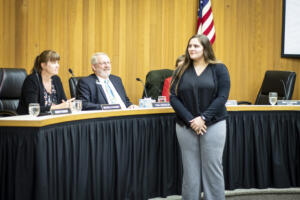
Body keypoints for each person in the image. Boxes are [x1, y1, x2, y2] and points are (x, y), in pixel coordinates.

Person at [170, 34, 230, 200]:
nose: (192, 49)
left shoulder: (219, 68)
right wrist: (191, 120)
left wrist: (203, 118)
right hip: (185, 126)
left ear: (205, 48)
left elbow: (222, 96)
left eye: (196, 46)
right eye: (190, 46)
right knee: (190, 170)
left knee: (213, 168)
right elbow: (173, 97)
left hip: (214, 124)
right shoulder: (181, 70)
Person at [17, 50, 73, 115]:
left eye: (57, 62)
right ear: (43, 65)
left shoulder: (56, 79)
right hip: (29, 121)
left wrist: (67, 105)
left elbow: (63, 101)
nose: (58, 65)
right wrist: (57, 107)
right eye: (53, 63)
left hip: (50, 119)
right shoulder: (32, 80)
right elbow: (33, 108)